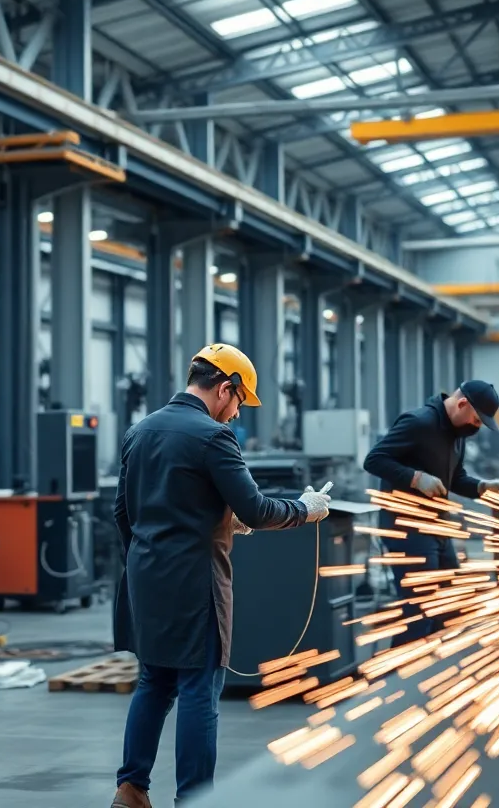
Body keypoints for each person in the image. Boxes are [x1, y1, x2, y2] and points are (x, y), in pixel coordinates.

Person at [110, 344, 332, 808]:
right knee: (198, 689)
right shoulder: (213, 437)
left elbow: (124, 513)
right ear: (225, 388)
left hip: (145, 577)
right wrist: (305, 510)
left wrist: (209, 524)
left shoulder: (139, 431)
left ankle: (131, 789)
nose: (234, 414)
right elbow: (256, 507)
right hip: (196, 583)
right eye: (237, 402)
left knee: (154, 682)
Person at [363, 380, 499, 647]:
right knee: (419, 611)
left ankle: (431, 674)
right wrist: (414, 478)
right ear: (462, 404)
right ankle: (398, 676)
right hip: (406, 529)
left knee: (449, 606)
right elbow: (374, 459)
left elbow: (455, 479)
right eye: (477, 419)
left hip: (436, 529)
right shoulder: (418, 422)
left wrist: (482, 486)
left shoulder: (457, 436)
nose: (477, 426)